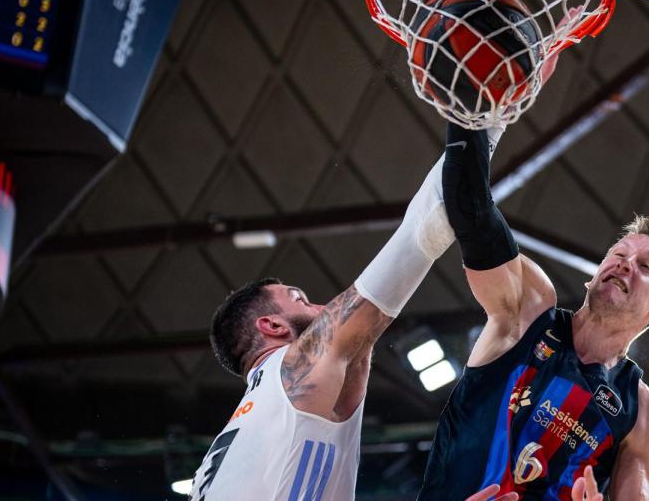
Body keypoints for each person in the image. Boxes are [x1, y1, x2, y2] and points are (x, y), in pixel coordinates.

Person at [186, 125, 603, 501]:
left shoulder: (238, 441)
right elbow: (428, 223)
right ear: (272, 325)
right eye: (298, 298)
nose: (320, 305)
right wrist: (485, 116)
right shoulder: (292, 372)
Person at [417, 123, 649, 500]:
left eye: (646, 267)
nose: (626, 264)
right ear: (592, 277)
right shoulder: (529, 311)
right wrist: (472, 115)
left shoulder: (643, 413)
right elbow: (471, 209)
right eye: (619, 254)